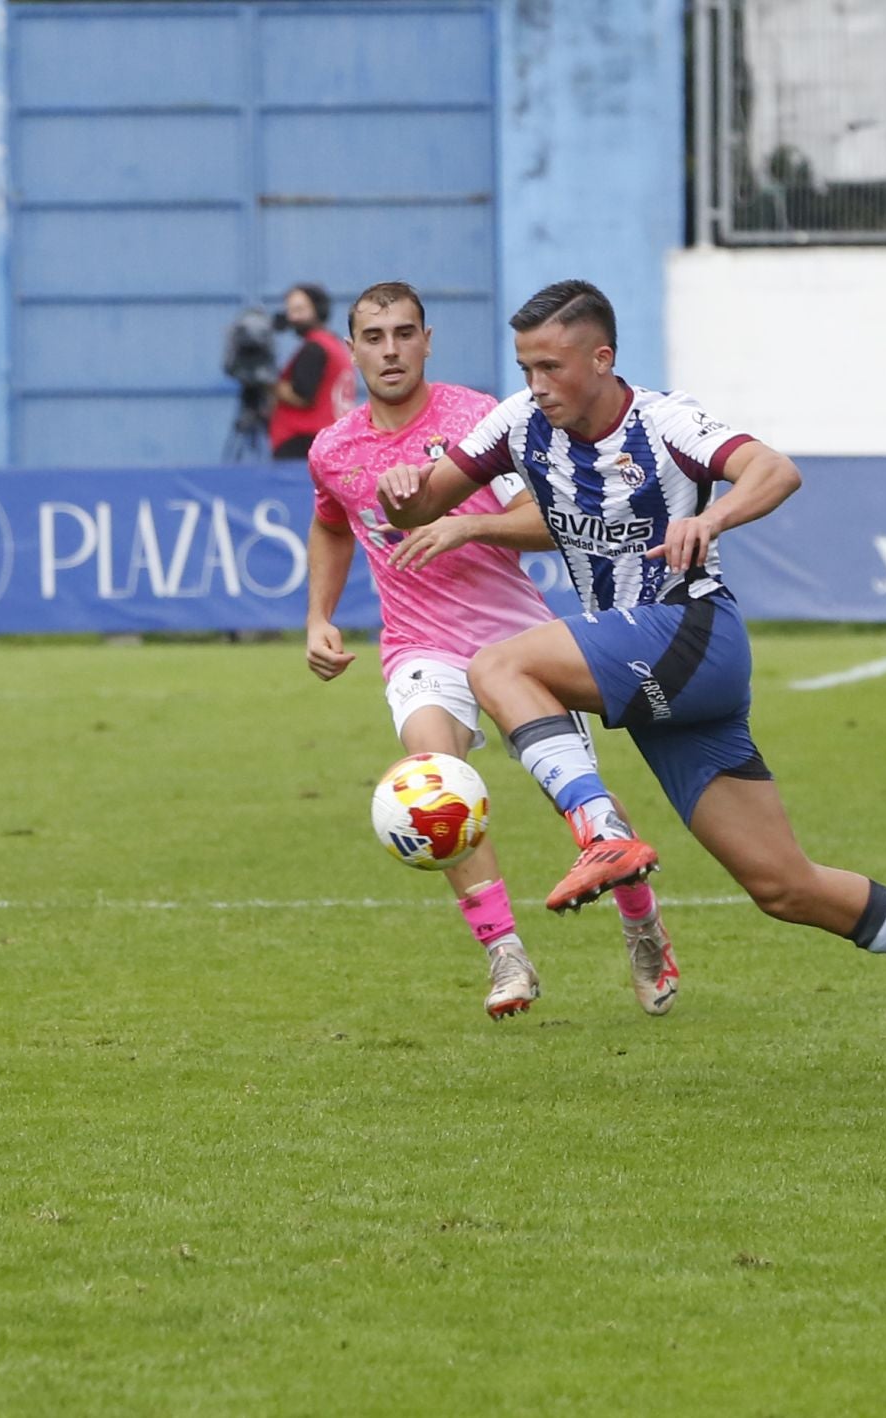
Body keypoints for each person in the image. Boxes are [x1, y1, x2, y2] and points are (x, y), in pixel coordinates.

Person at [378, 278, 886, 1054]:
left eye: (552, 367)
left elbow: (775, 469)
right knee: (783, 885)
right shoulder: (518, 423)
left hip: (692, 633)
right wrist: (400, 491)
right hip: (651, 669)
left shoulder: (664, 420)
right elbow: (419, 507)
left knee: (497, 666)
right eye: (526, 368)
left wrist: (711, 518)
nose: (537, 384)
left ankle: (600, 830)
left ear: (602, 358)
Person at [305, 279, 678, 1020]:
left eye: (404, 334)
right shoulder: (333, 449)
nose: (390, 350)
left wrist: (460, 521)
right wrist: (319, 616)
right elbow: (331, 523)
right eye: (374, 337)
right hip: (419, 646)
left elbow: (550, 517)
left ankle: (642, 922)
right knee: (433, 782)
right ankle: (505, 953)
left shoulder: (479, 419)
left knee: (576, 794)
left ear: (427, 341)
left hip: (518, 645)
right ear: (352, 349)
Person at [272, 283, 357, 460]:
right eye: (290, 310)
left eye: (299, 309)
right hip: (331, 437)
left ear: (318, 310)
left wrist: (268, 384)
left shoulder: (315, 347)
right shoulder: (334, 345)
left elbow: (302, 395)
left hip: (303, 441)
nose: (292, 317)